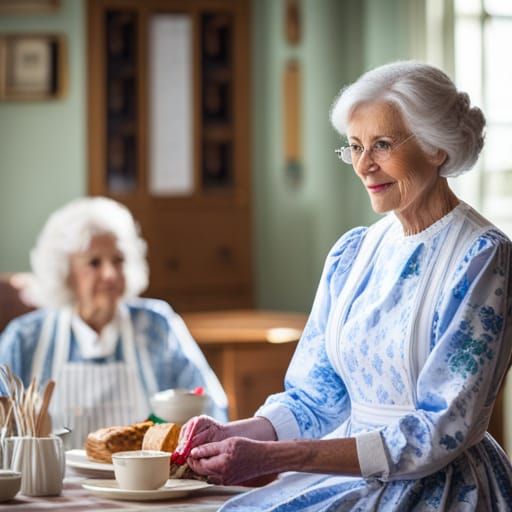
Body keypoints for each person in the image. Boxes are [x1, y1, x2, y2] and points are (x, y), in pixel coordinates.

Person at [173, 61, 512, 511]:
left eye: (382, 145)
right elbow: (316, 396)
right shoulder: (354, 253)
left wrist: (275, 457)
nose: (364, 165)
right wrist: (236, 433)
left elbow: (440, 430)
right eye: (354, 146)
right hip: (350, 475)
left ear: (438, 149)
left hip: (437, 488)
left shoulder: (484, 257)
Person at [0, 197, 228, 447]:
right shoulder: (25, 338)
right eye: (94, 263)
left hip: (146, 484)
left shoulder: (158, 325)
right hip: (54, 486)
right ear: (66, 273)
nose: (110, 274)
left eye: (118, 260)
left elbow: (212, 409)